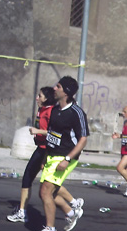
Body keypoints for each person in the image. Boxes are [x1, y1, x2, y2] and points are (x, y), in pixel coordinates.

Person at [7, 87, 84, 223]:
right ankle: (71, 210)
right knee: (46, 186)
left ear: (47, 99)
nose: (37, 98)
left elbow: (53, 133)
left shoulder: (52, 112)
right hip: (43, 149)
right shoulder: (43, 110)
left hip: (48, 150)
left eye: (40, 96)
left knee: (44, 186)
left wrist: (38, 132)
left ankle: (43, 219)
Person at [36, 76, 89, 231]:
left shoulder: (76, 112)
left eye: (57, 86)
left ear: (66, 92)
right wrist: (45, 157)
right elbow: (52, 135)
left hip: (65, 157)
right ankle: (71, 211)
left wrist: (67, 159)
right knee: (45, 193)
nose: (54, 88)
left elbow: (83, 139)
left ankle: (51, 230)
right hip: (52, 156)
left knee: (46, 192)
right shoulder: (54, 110)